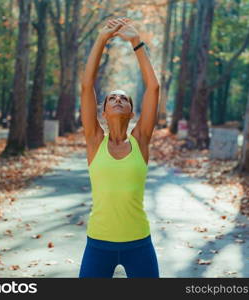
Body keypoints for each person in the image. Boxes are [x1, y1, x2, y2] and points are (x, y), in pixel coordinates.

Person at [79, 17, 160, 278]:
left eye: (123, 98)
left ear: (131, 111)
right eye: (111, 98)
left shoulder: (140, 140)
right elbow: (86, 85)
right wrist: (101, 40)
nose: (117, 100)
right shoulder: (94, 140)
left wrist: (137, 43)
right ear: (102, 112)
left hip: (139, 242)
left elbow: (154, 87)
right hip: (98, 243)